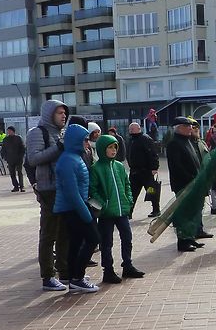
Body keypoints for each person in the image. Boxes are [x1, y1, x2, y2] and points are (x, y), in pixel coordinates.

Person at [89, 134, 145, 284]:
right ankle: (108, 270)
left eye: (115, 147)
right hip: (106, 213)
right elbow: (92, 190)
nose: (113, 150)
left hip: (122, 211)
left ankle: (127, 265)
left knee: (127, 238)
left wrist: (129, 200)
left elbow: (127, 184)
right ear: (102, 149)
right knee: (106, 242)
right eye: (109, 147)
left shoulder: (119, 166)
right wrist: (103, 204)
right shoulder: (96, 168)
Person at [28, 100, 70, 290]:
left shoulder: (60, 133)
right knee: (48, 234)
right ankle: (48, 276)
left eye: (64, 113)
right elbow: (34, 158)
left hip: (63, 188)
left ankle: (65, 271)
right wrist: (59, 147)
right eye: (59, 113)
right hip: (48, 189)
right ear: (49, 114)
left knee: (64, 232)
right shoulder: (38, 132)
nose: (63, 116)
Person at [53, 123, 99, 294]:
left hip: (75, 206)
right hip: (73, 208)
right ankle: (77, 277)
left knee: (76, 242)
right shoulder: (68, 160)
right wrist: (86, 214)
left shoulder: (74, 157)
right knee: (93, 238)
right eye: (85, 140)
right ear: (76, 141)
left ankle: (73, 276)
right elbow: (72, 192)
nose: (87, 143)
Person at [166, 116, 206, 252]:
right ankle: (183, 241)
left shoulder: (188, 141)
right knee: (184, 214)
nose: (191, 128)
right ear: (179, 128)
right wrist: (191, 179)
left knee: (193, 213)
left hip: (193, 183)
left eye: (191, 126)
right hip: (183, 184)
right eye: (187, 126)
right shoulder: (174, 144)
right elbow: (177, 166)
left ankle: (190, 237)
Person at [127, 122, 161, 218]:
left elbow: (153, 154)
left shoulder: (145, 139)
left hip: (146, 172)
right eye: (130, 129)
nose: (131, 131)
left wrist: (154, 167)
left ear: (138, 129)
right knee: (132, 193)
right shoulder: (131, 140)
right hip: (134, 172)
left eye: (132, 129)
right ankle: (129, 212)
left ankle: (156, 209)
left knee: (151, 191)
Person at [0, 126, 26, 192]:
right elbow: (3, 149)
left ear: (13, 131)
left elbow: (22, 148)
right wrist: (5, 157)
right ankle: (15, 186)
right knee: (12, 173)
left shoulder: (18, 138)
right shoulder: (6, 139)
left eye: (10, 131)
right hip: (10, 159)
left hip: (18, 159)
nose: (8, 132)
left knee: (19, 172)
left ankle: (21, 186)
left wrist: (21, 156)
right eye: (8, 131)